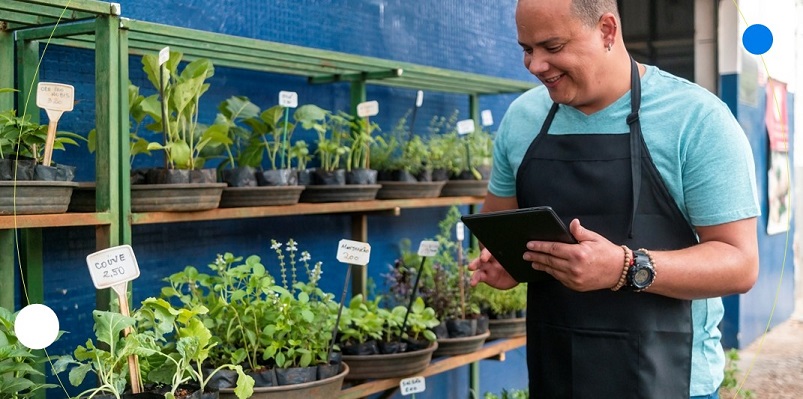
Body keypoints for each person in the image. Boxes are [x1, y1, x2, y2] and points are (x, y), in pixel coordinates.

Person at [468, 0, 760, 398]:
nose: (535, 65)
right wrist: (508, 262)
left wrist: (626, 268)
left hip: (670, 381)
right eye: (526, 48)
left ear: (607, 30)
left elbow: (739, 263)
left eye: (552, 47)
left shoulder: (696, 119)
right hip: (557, 375)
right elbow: (499, 227)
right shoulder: (522, 118)